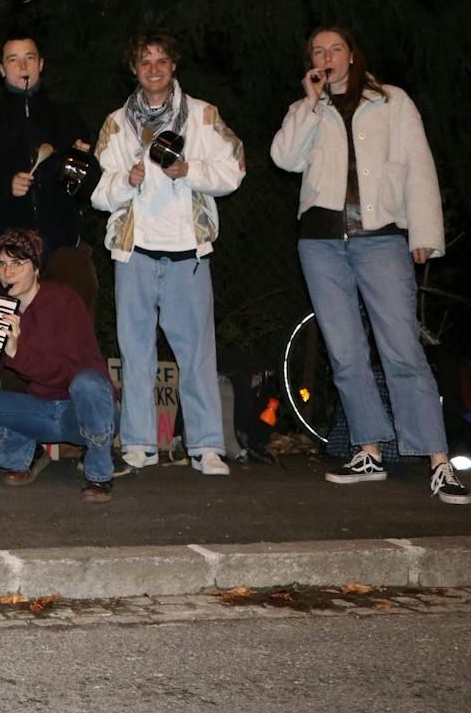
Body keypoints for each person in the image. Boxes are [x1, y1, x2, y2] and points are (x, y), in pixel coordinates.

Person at [269, 26, 465, 504]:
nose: (327, 56)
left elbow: (419, 167)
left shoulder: (392, 101)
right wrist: (312, 104)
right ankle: (369, 450)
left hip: (380, 239)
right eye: (318, 50)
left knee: (401, 348)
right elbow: (284, 158)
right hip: (320, 244)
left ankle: (438, 461)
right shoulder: (307, 110)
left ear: (353, 55)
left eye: (335, 48)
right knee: (346, 353)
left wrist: (424, 235)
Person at [91, 32, 244, 475]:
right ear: (134, 69)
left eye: (161, 61)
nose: (154, 69)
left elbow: (235, 168)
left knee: (196, 351)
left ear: (173, 66)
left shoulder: (202, 115)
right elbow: (100, 192)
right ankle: (139, 443)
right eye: (145, 62)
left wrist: (188, 171)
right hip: (134, 250)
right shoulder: (117, 123)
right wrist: (126, 182)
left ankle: (206, 445)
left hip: (187, 251)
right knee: (135, 350)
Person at [0, 229, 118, 502]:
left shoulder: (64, 301)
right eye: (1, 265)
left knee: (89, 383)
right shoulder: (1, 312)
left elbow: (66, 375)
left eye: (17, 264)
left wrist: (16, 351)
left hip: (81, 408)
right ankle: (26, 454)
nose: (8, 272)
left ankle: (99, 473)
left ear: (36, 268)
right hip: (42, 411)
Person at [0, 29, 98, 314]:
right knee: (11, 341)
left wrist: (78, 163)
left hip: (63, 247)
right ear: (2, 69)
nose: (23, 66)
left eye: (29, 58)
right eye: (13, 60)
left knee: (70, 333)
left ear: (41, 64)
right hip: (9, 251)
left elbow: (86, 190)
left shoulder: (67, 119)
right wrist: (6, 187)